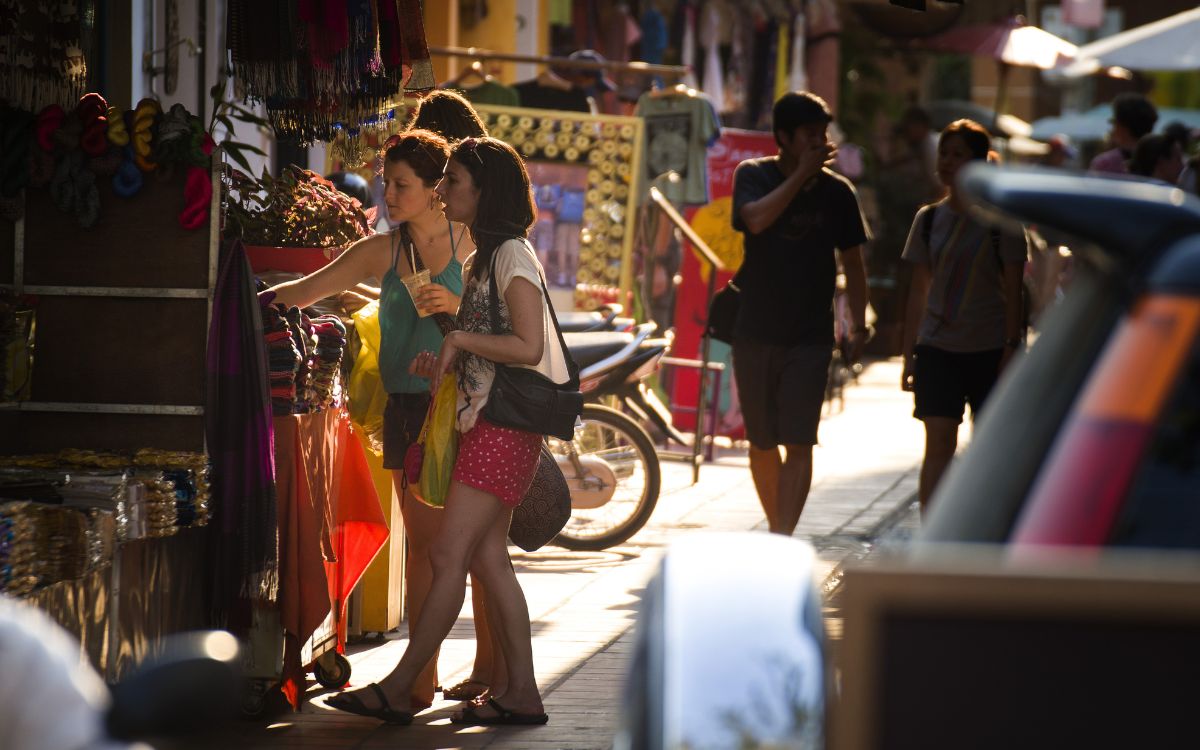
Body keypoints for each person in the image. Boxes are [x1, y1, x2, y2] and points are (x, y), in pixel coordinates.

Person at [327, 136, 559, 727]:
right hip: (492, 423)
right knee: (486, 560)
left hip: (504, 429)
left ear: (484, 191)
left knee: (452, 553)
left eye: (453, 181)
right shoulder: (489, 254)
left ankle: (402, 685)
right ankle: (521, 694)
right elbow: (500, 347)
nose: (442, 190)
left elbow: (528, 346)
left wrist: (457, 338)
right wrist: (451, 360)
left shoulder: (509, 255)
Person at [262, 130, 473, 710]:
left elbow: (511, 318)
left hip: (467, 410)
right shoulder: (386, 249)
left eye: (402, 184)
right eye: (387, 181)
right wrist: (246, 302)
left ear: (436, 190)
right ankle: (420, 680)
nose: (390, 193)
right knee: (430, 549)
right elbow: (305, 290)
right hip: (409, 411)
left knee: (461, 551)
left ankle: (435, 682)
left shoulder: (475, 245)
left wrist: (458, 325)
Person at [729, 91, 870, 536]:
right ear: (784, 138)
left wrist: (860, 322)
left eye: (823, 133)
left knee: (800, 440)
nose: (820, 141)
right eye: (811, 134)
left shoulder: (839, 193)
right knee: (761, 443)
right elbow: (754, 220)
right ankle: (778, 528)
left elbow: (854, 263)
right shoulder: (752, 175)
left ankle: (781, 539)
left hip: (811, 336)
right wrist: (801, 177)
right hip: (754, 329)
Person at [901, 119, 1030, 512]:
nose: (947, 162)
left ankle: (980, 530)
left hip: (989, 347)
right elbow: (918, 291)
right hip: (938, 348)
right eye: (944, 153)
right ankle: (931, 539)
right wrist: (910, 353)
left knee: (987, 447)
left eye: (958, 155)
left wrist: (1011, 347)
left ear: (977, 162)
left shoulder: (1001, 221)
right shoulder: (927, 220)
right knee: (938, 444)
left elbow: (1014, 292)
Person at [1088, 93, 1157, 175]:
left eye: (1113, 122)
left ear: (1122, 126)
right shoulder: (1162, 162)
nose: (1111, 128)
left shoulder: (1104, 164)